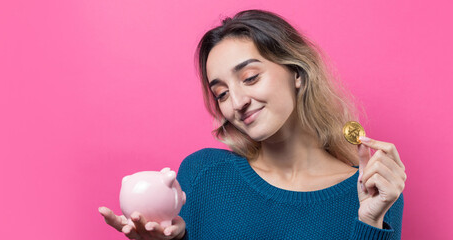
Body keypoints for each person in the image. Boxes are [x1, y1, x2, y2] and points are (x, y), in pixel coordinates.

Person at [99, 9, 406, 239]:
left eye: (250, 78)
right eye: (221, 93)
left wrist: (370, 220)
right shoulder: (203, 175)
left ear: (296, 73)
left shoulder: (371, 191)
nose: (237, 102)